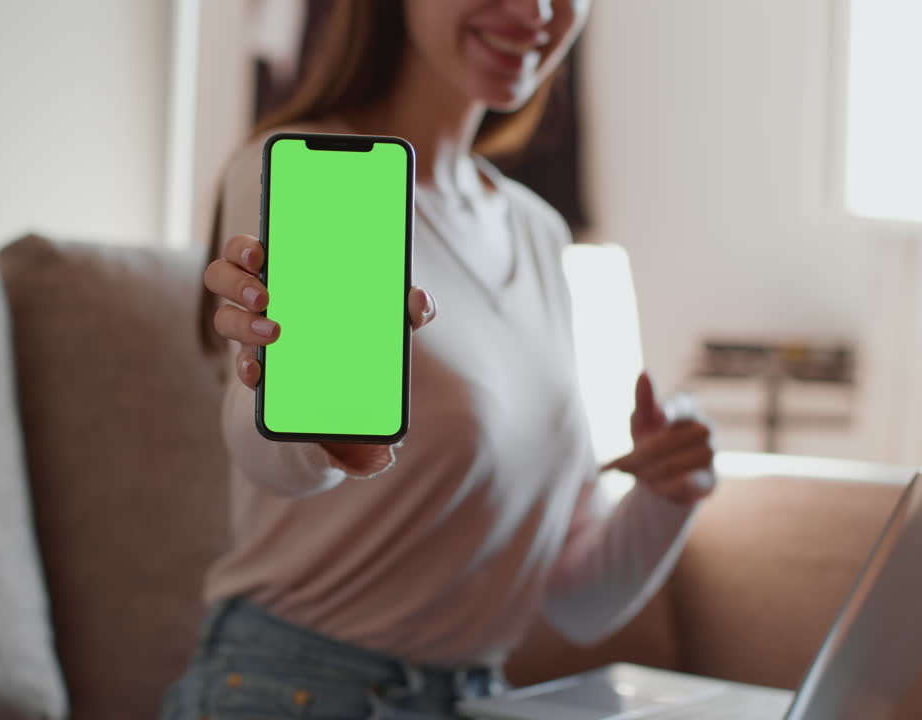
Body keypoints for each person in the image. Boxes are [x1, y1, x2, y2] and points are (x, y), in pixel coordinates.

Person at [164, 1, 715, 718]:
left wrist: (669, 498)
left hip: (478, 696)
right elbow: (262, 451)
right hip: (294, 688)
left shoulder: (538, 231)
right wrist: (321, 434)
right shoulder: (304, 169)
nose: (535, 10)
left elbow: (575, 602)